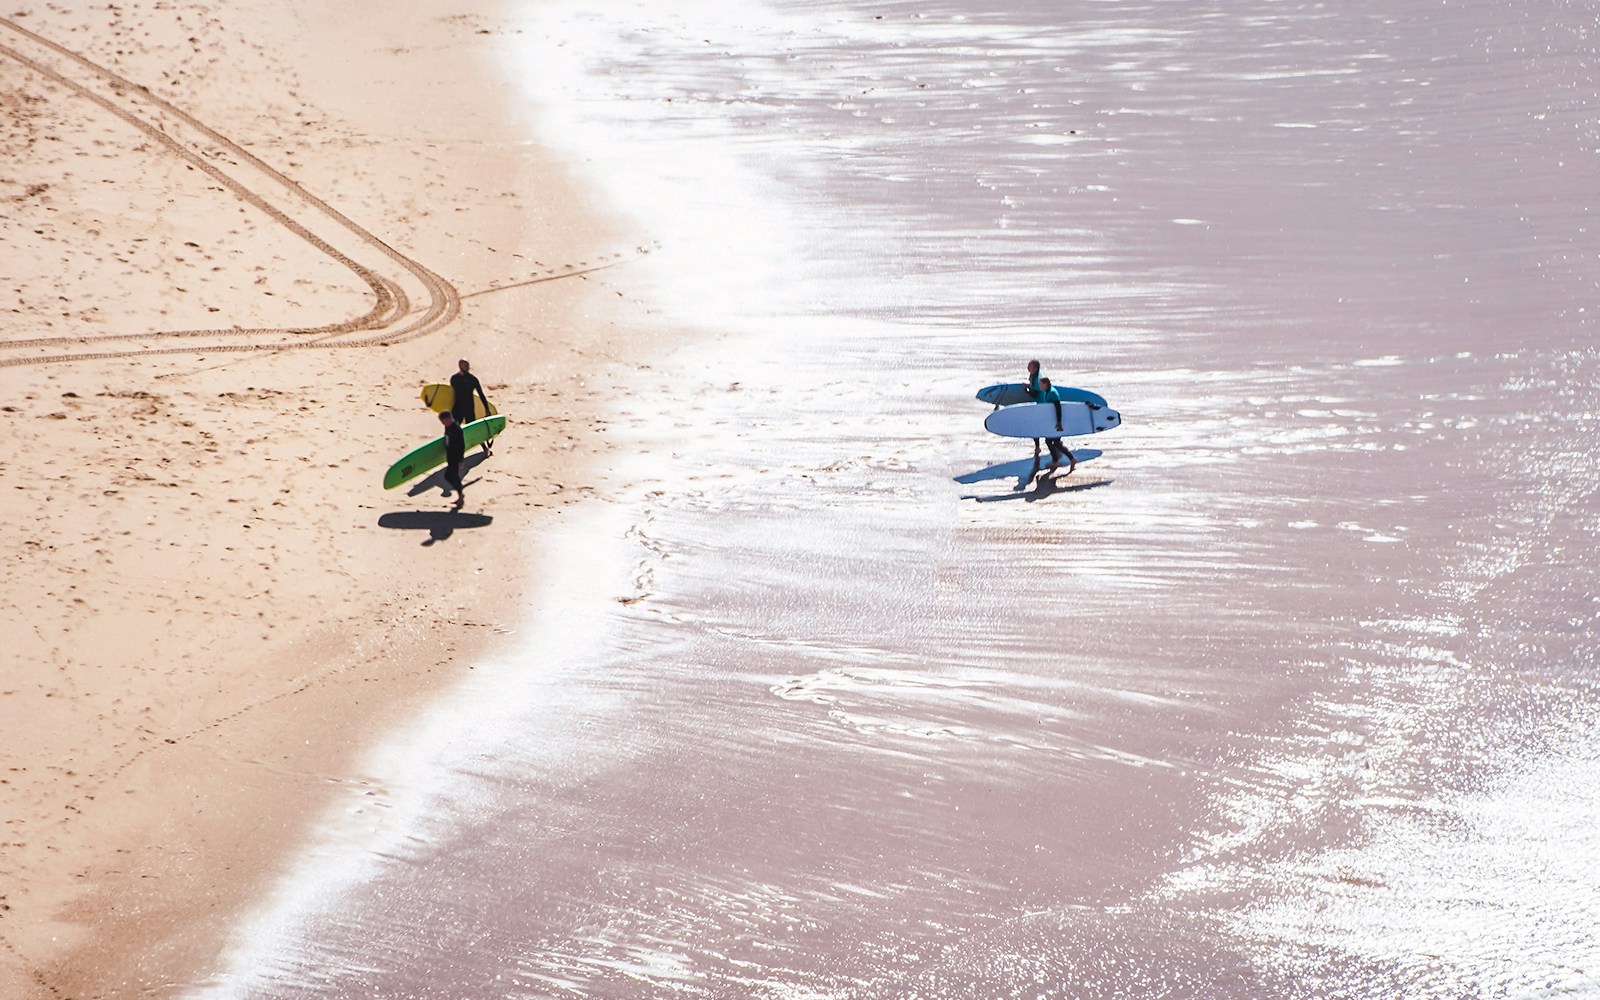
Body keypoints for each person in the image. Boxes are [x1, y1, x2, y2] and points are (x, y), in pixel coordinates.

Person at [449, 359, 494, 456]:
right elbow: (450, 395)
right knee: (454, 431)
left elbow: (481, 394)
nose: (466, 367)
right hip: (457, 408)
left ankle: (485, 449)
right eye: (463, 365)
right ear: (459, 366)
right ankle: (453, 452)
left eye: (467, 365)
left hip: (468, 409)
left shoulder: (473, 379)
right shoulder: (454, 379)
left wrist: (487, 409)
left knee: (474, 430)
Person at [1037, 377, 1077, 477]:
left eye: (1040, 384)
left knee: (1055, 442)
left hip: (1057, 422)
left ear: (1045, 384)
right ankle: (1060, 460)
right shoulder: (1047, 391)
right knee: (1052, 442)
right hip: (1053, 422)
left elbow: (1058, 408)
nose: (1039, 386)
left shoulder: (1052, 393)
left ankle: (1069, 459)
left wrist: (1059, 422)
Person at [440, 410, 466, 507]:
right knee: (452, 476)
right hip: (450, 456)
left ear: (448, 419)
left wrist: (461, 460)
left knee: (450, 476)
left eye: (443, 421)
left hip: (455, 457)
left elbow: (461, 446)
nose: (442, 423)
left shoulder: (457, 430)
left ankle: (461, 497)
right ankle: (460, 496)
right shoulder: (448, 428)